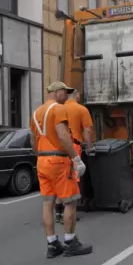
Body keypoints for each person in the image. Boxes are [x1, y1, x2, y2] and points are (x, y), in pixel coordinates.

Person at [30, 81, 93, 258]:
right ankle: (70, 241)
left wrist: (42, 156)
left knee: (47, 202)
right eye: (65, 92)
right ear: (56, 92)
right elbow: (63, 135)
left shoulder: (36, 113)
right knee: (70, 201)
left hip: (42, 160)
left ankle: (52, 244)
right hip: (59, 160)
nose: (66, 95)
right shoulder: (58, 109)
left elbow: (33, 141)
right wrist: (75, 158)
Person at [55, 89, 95, 224]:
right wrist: (89, 147)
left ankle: (58, 211)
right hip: (74, 147)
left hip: (58, 148)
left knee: (62, 179)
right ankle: (69, 213)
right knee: (73, 179)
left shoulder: (59, 108)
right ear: (76, 96)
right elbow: (87, 130)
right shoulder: (81, 109)